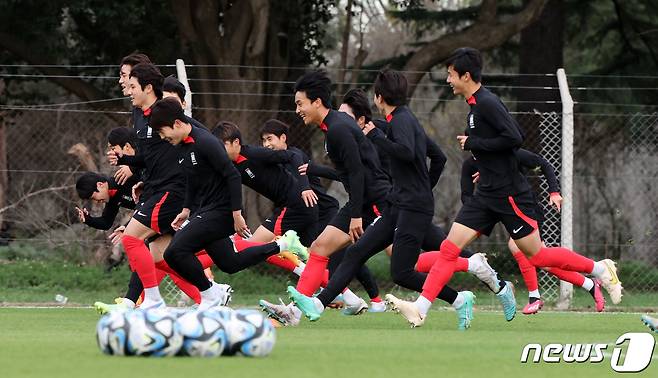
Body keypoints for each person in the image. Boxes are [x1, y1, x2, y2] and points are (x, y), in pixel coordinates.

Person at [387, 47, 622, 329]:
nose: (448, 80)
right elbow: (496, 148)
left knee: (539, 256)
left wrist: (476, 144)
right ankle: (420, 309)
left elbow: (514, 137)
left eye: (451, 75)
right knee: (450, 248)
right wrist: (484, 166)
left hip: (510, 194)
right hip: (486, 194)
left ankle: (600, 269)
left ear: (466, 75)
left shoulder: (487, 103)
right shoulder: (474, 107)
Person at [287, 69, 486, 323]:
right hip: (395, 202)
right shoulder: (371, 123)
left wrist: (359, 213)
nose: (297, 109)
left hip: (398, 203)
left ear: (379, 97)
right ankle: (313, 305)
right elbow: (358, 171)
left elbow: (395, 159)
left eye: (299, 103)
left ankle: (466, 281)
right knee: (354, 253)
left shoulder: (392, 122)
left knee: (404, 269)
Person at [149, 97, 307, 311]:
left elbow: (232, 175)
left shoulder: (205, 142)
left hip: (221, 212)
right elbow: (191, 180)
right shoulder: (183, 147)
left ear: (177, 124)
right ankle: (284, 245)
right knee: (230, 263)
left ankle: (210, 295)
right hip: (205, 210)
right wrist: (186, 209)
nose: (162, 137)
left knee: (174, 252)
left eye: (162, 132)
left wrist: (236, 214)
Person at [259, 119, 385, 313]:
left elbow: (348, 174)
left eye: (270, 139)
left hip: (323, 212)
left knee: (345, 256)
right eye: (263, 141)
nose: (266, 144)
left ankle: (374, 301)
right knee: (327, 255)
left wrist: (306, 186)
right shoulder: (276, 161)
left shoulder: (295, 155)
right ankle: (325, 302)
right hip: (309, 214)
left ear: (283, 138)